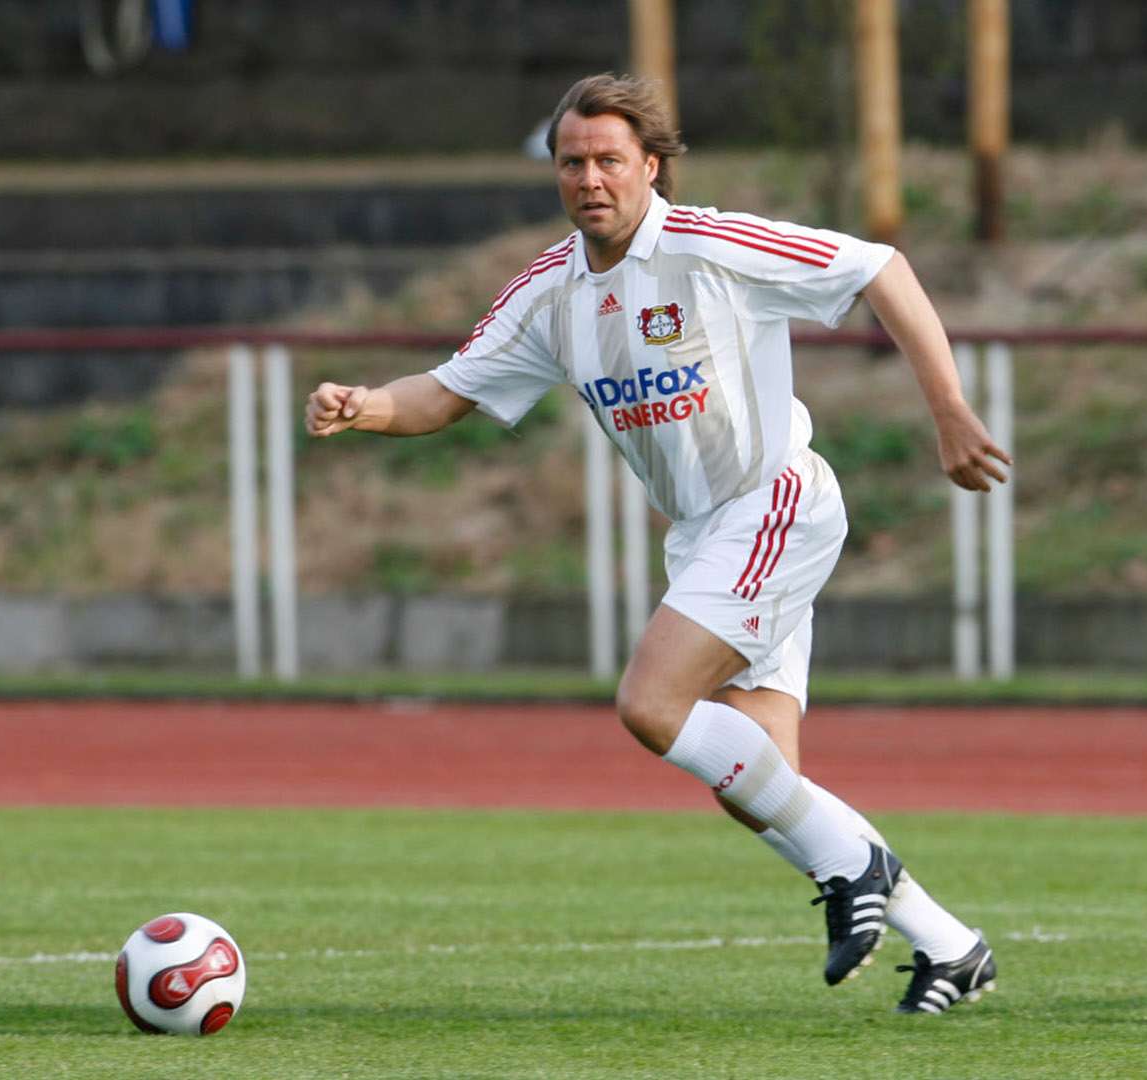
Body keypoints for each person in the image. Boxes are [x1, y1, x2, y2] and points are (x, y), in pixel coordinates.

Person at [305, 74, 1009, 1015]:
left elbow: (880, 265)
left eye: (608, 159)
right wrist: (365, 407)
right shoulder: (551, 292)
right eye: (572, 162)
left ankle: (857, 867)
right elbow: (446, 390)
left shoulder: (708, 243)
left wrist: (950, 410)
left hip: (776, 504)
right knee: (758, 783)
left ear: (650, 166)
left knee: (650, 702)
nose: (590, 178)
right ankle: (951, 946)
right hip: (703, 538)